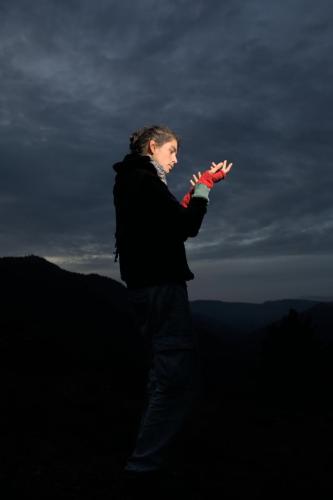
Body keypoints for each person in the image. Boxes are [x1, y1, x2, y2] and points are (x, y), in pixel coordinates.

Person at [112, 125, 233, 496]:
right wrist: (204, 187)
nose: (177, 159)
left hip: (145, 287)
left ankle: (148, 459)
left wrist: (187, 197)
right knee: (175, 375)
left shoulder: (134, 181)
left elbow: (165, 228)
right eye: (173, 151)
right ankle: (144, 468)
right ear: (153, 146)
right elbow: (187, 227)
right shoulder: (144, 181)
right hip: (160, 288)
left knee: (163, 370)